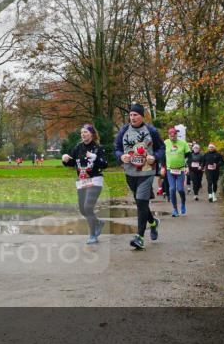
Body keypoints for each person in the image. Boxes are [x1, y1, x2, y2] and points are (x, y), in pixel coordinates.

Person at [114, 103, 165, 251]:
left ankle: (140, 237)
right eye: (131, 115)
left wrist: (154, 157)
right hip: (130, 172)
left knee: (141, 203)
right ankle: (153, 223)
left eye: (135, 115)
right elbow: (116, 148)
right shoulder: (124, 130)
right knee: (141, 203)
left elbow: (162, 148)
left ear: (142, 116)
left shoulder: (151, 130)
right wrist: (121, 156)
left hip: (146, 172)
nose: (132, 117)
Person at [61, 124, 108, 244]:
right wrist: (65, 160)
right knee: (82, 210)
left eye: (86, 132)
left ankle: (93, 235)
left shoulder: (98, 148)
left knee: (88, 207)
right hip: (82, 181)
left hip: (95, 180)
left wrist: (95, 157)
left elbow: (105, 164)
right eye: (82, 132)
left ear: (92, 134)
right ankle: (98, 222)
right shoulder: (78, 147)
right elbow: (73, 163)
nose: (83, 134)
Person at [164, 125, 190, 217]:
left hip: (180, 169)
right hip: (169, 170)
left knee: (180, 189)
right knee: (172, 189)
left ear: (176, 135)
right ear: (168, 135)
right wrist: (162, 167)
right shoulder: (165, 143)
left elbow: (188, 156)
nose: (172, 137)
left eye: (174, 135)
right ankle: (175, 209)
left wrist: (187, 166)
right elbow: (162, 155)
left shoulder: (183, 143)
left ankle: (183, 203)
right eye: (170, 135)